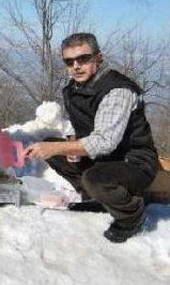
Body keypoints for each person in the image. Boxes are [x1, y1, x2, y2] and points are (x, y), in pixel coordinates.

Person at [23, 33, 159, 243]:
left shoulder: (117, 90)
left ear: (98, 58)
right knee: (54, 146)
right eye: (69, 61)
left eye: (83, 58)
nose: (76, 66)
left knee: (91, 176)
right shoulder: (75, 88)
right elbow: (89, 127)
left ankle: (132, 214)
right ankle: (98, 197)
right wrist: (68, 147)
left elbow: (105, 141)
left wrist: (57, 148)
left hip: (133, 162)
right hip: (104, 159)